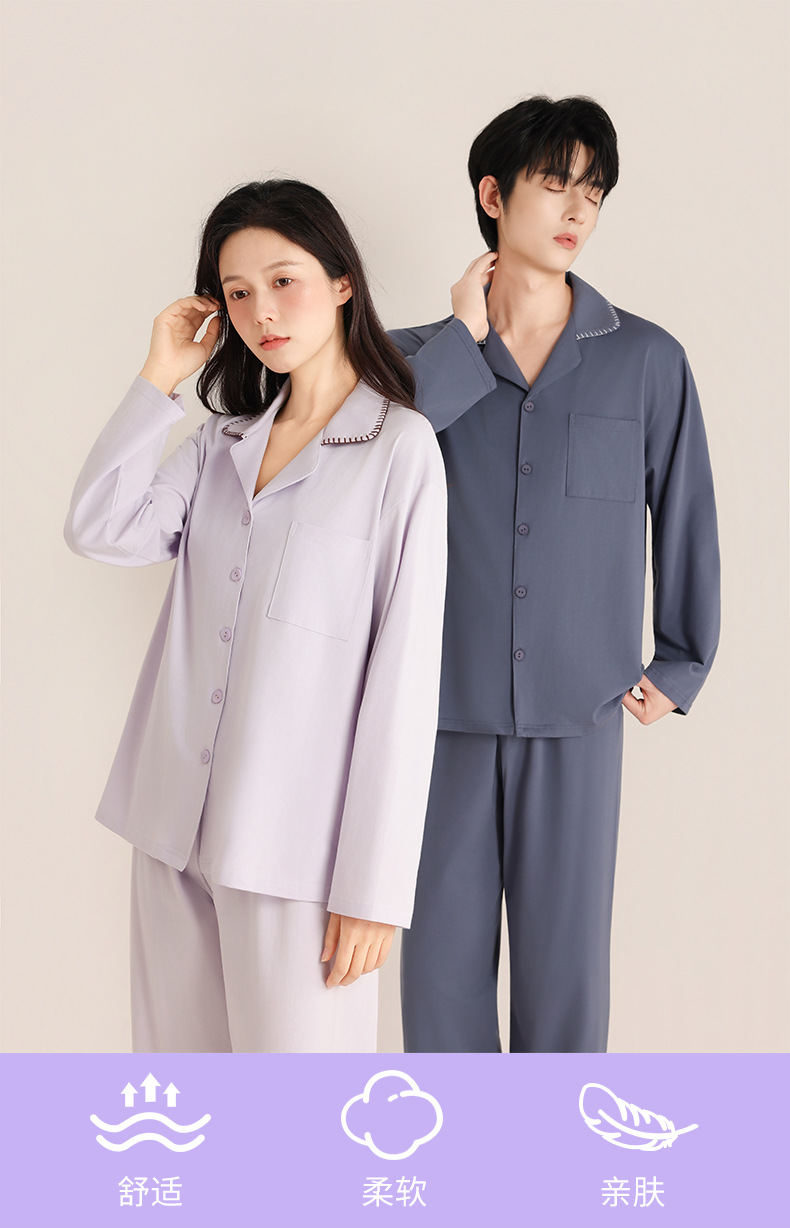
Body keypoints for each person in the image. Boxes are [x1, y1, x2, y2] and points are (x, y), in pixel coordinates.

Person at [64, 179, 447, 1054]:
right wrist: (160, 376)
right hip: (172, 830)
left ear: (342, 281)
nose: (261, 312)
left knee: (296, 1117)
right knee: (186, 1107)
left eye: (283, 281)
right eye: (237, 293)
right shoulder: (219, 443)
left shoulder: (399, 451)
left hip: (297, 854)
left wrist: (374, 888)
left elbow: (404, 678)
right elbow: (99, 527)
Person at [390, 96, 720, 1053]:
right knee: (438, 974)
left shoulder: (647, 360)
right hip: (438, 711)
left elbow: (686, 510)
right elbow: (371, 469)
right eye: (555, 184)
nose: (579, 209)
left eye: (595, 192)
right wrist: (460, 343)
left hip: (582, 709)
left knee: (567, 979)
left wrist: (683, 659)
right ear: (493, 196)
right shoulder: (411, 360)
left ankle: (555, 1149)